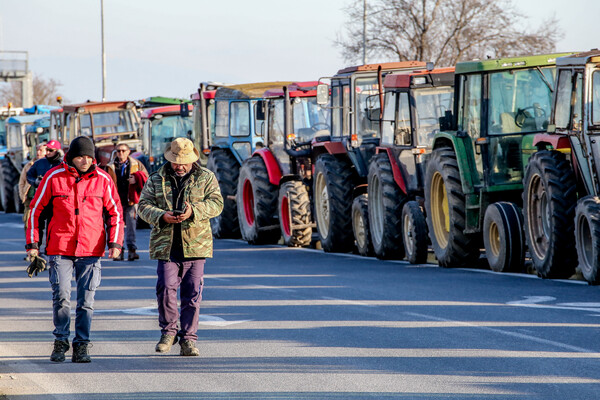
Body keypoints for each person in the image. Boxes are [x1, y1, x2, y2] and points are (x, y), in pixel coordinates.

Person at [25, 136, 124, 363]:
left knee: (86, 300)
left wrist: (115, 244)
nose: (85, 161)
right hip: (60, 247)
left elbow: (115, 213)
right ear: (71, 156)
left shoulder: (103, 180)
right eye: (80, 156)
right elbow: (35, 211)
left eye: (89, 157)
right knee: (61, 297)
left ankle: (81, 344)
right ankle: (61, 340)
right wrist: (33, 245)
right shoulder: (53, 177)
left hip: (91, 250)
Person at [138, 138, 223, 357]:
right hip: (166, 246)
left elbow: (217, 203)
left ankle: (188, 339)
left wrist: (193, 211)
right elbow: (143, 206)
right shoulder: (157, 179)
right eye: (176, 162)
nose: (180, 166)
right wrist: (162, 216)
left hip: (196, 246)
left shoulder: (206, 177)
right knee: (166, 289)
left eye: (184, 162)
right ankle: (168, 333)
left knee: (192, 294)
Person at [107, 142, 148, 261]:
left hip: (130, 200)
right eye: (118, 151)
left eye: (123, 151)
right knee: (117, 226)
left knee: (131, 225)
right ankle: (118, 251)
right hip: (115, 201)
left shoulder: (136, 164)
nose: (121, 153)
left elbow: (146, 177)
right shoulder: (110, 166)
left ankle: (132, 250)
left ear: (128, 152)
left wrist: (136, 179)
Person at [19, 143, 46, 235]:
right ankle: (31, 245)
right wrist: (23, 195)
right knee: (28, 224)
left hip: (45, 200)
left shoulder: (50, 165)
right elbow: (22, 182)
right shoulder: (29, 165)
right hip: (31, 200)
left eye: (41, 150)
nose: (38, 152)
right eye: (37, 150)